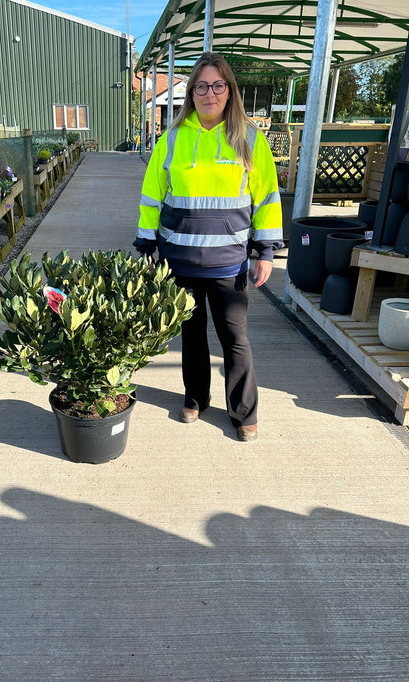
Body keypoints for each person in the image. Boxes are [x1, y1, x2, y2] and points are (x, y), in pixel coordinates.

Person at [134, 52, 284, 442]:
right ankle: (195, 397)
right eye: (201, 86)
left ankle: (244, 412)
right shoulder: (171, 140)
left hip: (228, 264)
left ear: (230, 91)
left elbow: (267, 197)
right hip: (180, 260)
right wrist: (147, 242)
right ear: (191, 93)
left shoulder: (250, 140)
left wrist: (265, 250)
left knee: (235, 339)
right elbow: (153, 196)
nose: (209, 93)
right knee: (192, 335)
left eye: (218, 85)